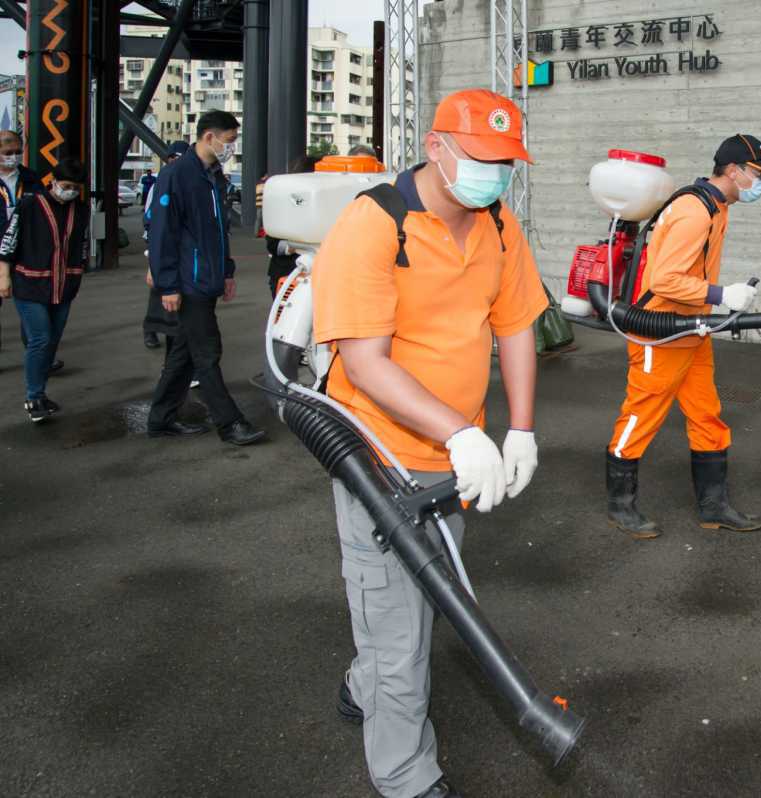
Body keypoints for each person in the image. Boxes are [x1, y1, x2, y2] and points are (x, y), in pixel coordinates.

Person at [311, 88, 547, 798]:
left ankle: (364, 684)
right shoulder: (373, 226)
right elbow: (364, 363)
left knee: (423, 600)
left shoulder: (499, 224)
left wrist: (523, 429)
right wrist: (462, 430)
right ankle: (406, 777)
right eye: (482, 159)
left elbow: (515, 327)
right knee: (399, 633)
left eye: (506, 163)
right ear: (437, 146)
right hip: (379, 456)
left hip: (454, 459)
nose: (495, 176)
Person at [605, 134, 761, 540]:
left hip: (693, 329)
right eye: (758, 174)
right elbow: (665, 279)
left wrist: (711, 303)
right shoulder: (695, 211)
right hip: (659, 332)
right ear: (733, 171)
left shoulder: (717, 206)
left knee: (706, 415)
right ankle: (620, 506)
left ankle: (714, 507)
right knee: (641, 417)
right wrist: (722, 295)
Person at [146, 111, 265, 445]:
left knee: (183, 353)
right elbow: (162, 234)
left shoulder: (214, 176)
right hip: (188, 281)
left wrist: (226, 272)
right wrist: (168, 284)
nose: (232, 147)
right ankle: (230, 423)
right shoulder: (176, 175)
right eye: (229, 141)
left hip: (207, 278)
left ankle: (160, 419)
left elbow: (218, 232)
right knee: (207, 353)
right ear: (209, 137)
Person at [0, 157, 88, 422]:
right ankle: (34, 396)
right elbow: (9, 240)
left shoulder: (79, 209)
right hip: (30, 284)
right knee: (40, 338)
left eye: (75, 186)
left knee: (49, 340)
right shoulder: (30, 204)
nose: (70, 190)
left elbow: (81, 243)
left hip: (64, 286)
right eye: (65, 185)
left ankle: (40, 390)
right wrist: (4, 276)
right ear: (52, 182)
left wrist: (79, 268)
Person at [0, 130, 44, 358]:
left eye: (18, 152)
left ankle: (36, 353)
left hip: (26, 250)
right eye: (8, 152)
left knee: (31, 306)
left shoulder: (30, 178)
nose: (14, 157)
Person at [143, 140, 190, 349]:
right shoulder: (161, 182)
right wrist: (151, 264)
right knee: (159, 299)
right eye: (174, 158)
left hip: (184, 257)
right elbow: (153, 224)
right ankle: (150, 331)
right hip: (163, 255)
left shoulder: (189, 182)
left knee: (179, 315)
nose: (177, 163)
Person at [265, 155, 317, 297]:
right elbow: (273, 245)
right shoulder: (283, 203)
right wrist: (297, 246)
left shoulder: (322, 205)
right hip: (287, 275)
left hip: (317, 276)